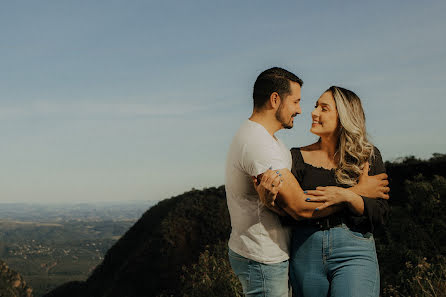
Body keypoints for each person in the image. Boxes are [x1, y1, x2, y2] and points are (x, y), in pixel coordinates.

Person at [225, 67, 388, 297]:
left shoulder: (366, 156)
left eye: (323, 108)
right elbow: (295, 208)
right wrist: (353, 193)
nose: (310, 112)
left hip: (353, 248)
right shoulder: (295, 157)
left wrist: (349, 196)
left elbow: (379, 211)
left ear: (343, 116)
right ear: (275, 100)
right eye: (308, 104)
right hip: (306, 249)